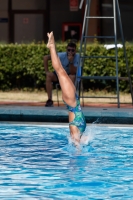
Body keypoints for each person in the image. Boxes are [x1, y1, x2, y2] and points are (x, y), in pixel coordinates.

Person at [46, 31, 86, 146]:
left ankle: (52, 46)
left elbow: (76, 142)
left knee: (60, 71)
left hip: (71, 101)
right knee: (61, 71)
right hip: (74, 99)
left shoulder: (73, 127)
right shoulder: (79, 130)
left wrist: (77, 150)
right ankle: (52, 46)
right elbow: (82, 140)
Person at [44, 40, 80, 107]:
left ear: (75, 51)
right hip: (59, 75)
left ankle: (70, 100)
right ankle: (49, 100)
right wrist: (47, 72)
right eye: (69, 50)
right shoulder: (61, 55)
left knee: (72, 76)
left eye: (72, 50)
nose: (70, 52)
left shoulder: (77, 57)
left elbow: (73, 72)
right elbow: (45, 58)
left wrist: (71, 62)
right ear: (66, 50)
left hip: (69, 77)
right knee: (49, 76)